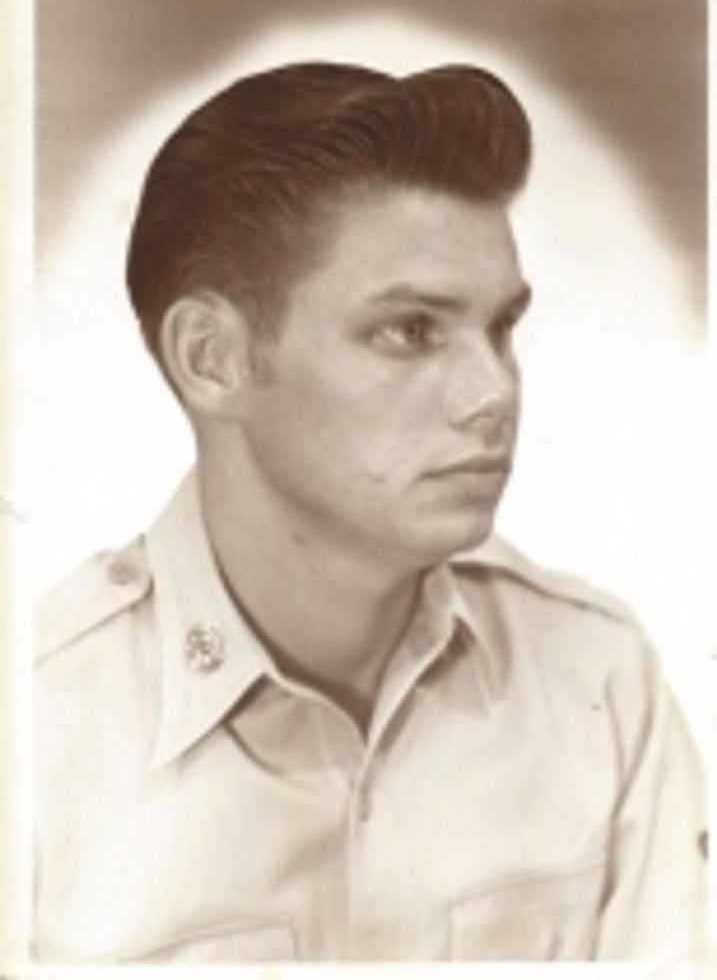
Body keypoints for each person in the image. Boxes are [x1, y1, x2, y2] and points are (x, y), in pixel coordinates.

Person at [34, 61, 706, 963]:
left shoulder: (598, 679)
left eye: (500, 329)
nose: (493, 393)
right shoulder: (35, 734)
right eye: (410, 331)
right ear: (211, 358)